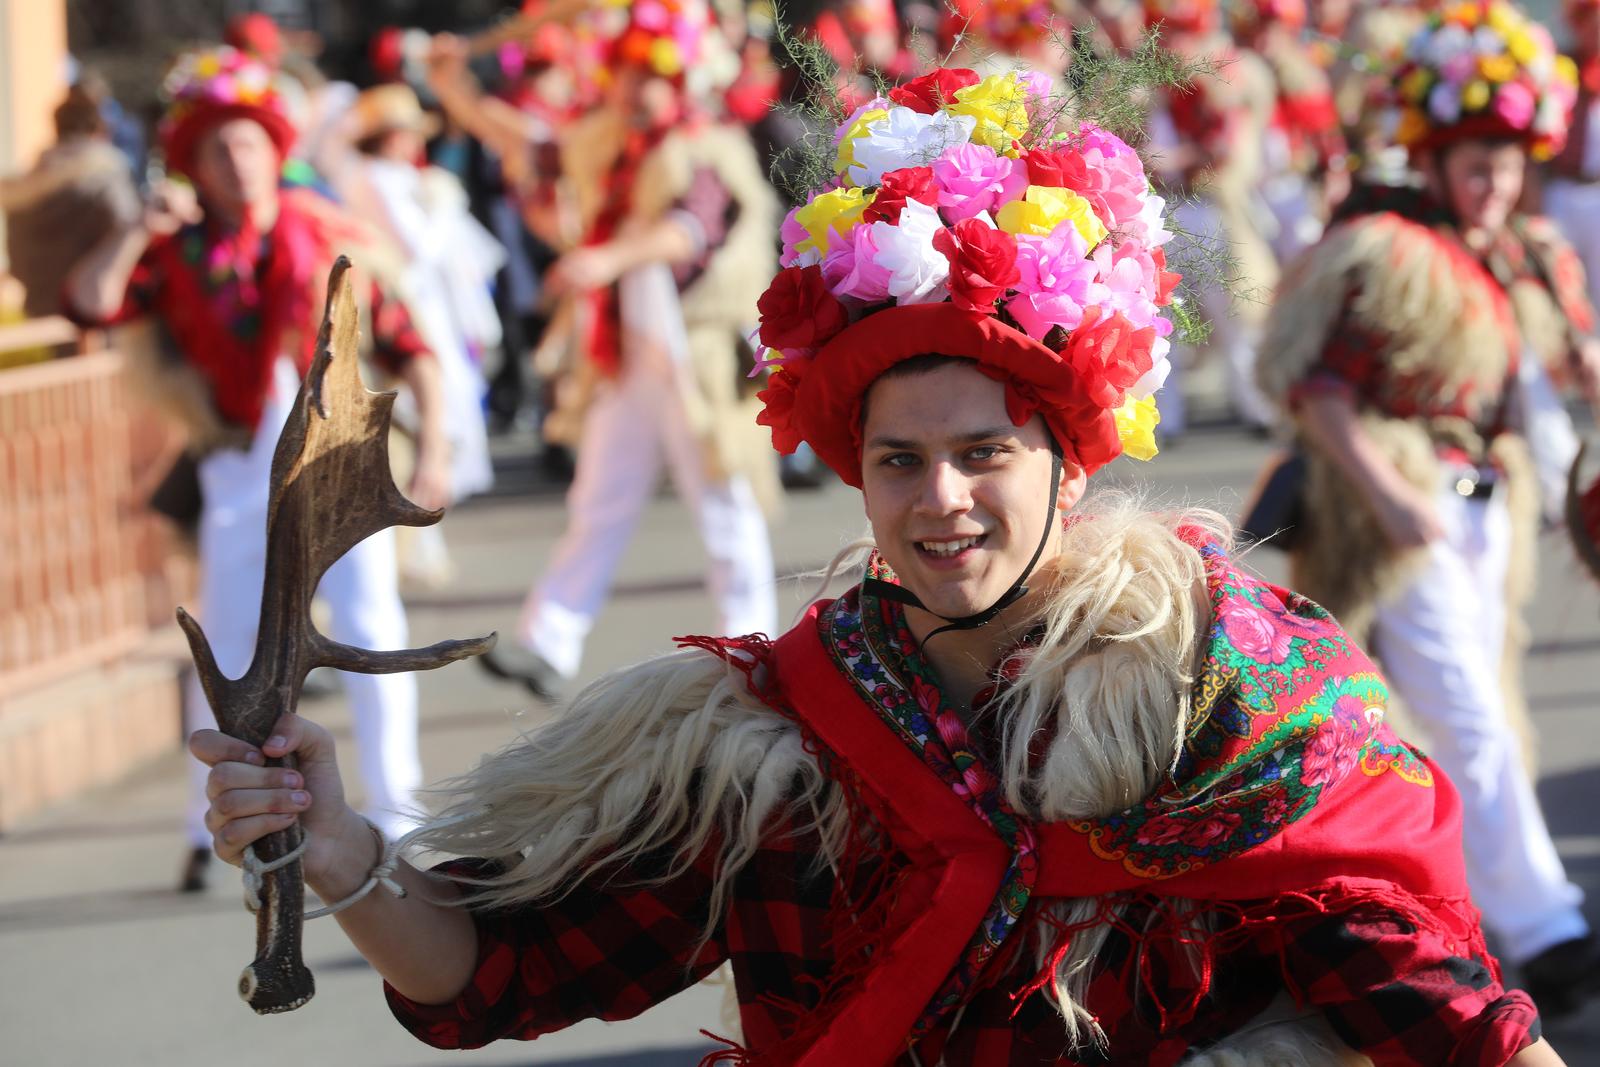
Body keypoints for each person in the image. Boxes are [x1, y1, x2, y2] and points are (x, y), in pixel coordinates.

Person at [193, 58, 1563, 1064]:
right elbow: (497, 970)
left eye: (985, 452)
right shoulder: (770, 738)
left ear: (1070, 459)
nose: (941, 498)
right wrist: (338, 845)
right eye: (898, 459)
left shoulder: (1220, 694)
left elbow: (1427, 999)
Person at [1256, 0, 1600, 1018]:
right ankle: (1550, 932)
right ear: (1438, 160)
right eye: (1471, 161)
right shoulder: (1392, 252)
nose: (1489, 178)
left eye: (1503, 160)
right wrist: (1392, 496)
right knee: (1468, 723)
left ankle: (1452, 920)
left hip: (1488, 516)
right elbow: (1314, 390)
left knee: (1469, 724)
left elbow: (1542, 371)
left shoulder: (1521, 251)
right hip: (1407, 523)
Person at [62, 47, 451, 885]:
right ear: (194, 166)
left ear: (276, 151)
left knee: (371, 629)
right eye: (217, 149)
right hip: (236, 468)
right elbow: (90, 302)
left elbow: (414, 348)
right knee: (226, 638)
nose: (237, 162)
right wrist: (138, 225)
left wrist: (443, 448)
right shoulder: (176, 255)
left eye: (249, 144)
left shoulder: (331, 239)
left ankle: (396, 811)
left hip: (336, 465)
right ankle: (218, 826)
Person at [427, 0, 780, 698]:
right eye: (626, 74)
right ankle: (547, 642)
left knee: (724, 501)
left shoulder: (703, 146)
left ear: (677, 82)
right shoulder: (608, 142)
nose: (635, 89)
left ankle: (754, 650)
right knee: (600, 498)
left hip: (697, 357)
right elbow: (526, 143)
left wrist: (604, 260)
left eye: (649, 76)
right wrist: (452, 90)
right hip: (628, 353)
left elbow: (690, 229)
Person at [343, 83, 505, 585]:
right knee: (419, 417)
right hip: (405, 307)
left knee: (444, 418)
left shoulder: (404, 178)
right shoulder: (375, 179)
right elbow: (417, 247)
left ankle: (422, 534)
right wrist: (443, 206)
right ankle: (414, 537)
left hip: (433, 306)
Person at [0, 83, 140, 319]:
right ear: (99, 130)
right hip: (91, 318)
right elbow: (128, 243)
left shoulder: (28, 187)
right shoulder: (103, 180)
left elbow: (18, 263)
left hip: (38, 314)